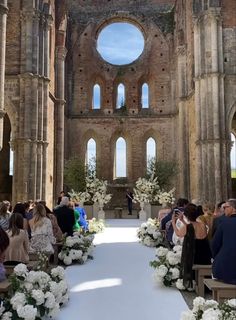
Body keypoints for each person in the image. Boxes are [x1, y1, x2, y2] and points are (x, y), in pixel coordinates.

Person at [172, 203, 211, 289]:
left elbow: (178, 233)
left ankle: (193, 282)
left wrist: (173, 222)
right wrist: (182, 221)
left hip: (194, 255)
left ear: (186, 216)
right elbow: (192, 227)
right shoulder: (202, 224)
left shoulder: (188, 227)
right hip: (204, 254)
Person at [211, 199, 236, 285]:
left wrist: (217, 257)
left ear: (233, 208)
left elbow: (214, 244)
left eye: (225, 207)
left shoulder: (224, 223)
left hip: (226, 268)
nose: (223, 209)